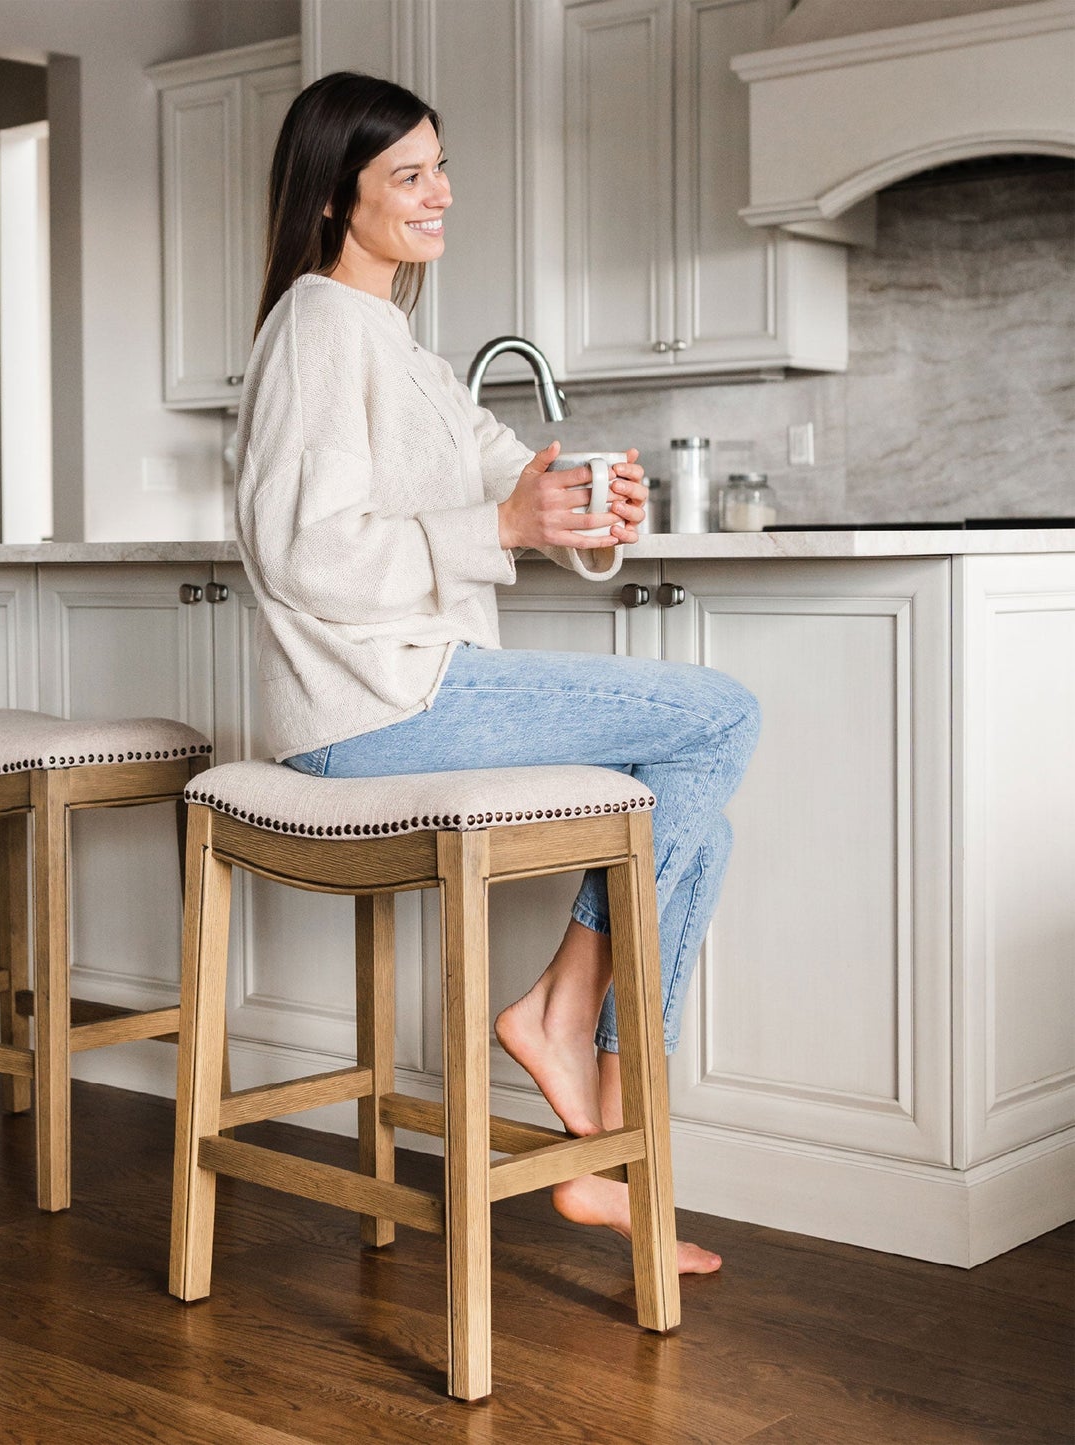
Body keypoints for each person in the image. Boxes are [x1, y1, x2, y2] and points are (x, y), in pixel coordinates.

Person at [233, 72, 760, 1275]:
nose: (439, 194)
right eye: (406, 175)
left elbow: (508, 473)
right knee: (717, 712)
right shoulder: (317, 326)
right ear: (332, 199)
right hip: (368, 709)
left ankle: (564, 1034)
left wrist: (589, 506)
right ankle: (586, 1064)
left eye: (439, 167)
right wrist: (509, 529)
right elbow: (301, 551)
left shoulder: (399, 346)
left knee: (691, 831)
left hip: (423, 684)